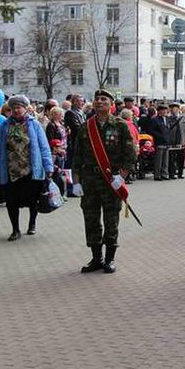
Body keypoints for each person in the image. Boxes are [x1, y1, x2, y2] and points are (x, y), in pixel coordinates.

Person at [72, 89, 137, 274]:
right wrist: (75, 181)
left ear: (111, 104)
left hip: (111, 180)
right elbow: (77, 156)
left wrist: (122, 176)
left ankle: (110, 259)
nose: (99, 102)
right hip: (90, 181)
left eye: (104, 99)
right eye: (97, 99)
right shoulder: (86, 127)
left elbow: (131, 153)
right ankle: (96, 258)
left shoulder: (121, 125)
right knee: (91, 219)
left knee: (111, 219)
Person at [0, 95, 54, 242]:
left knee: (33, 200)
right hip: (11, 170)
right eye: (13, 108)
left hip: (31, 169)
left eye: (19, 107)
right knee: (11, 201)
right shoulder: (5, 125)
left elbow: (44, 146)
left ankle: (32, 223)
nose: (16, 110)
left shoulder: (34, 124)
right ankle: (15, 230)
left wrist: (48, 166)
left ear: (25, 108)